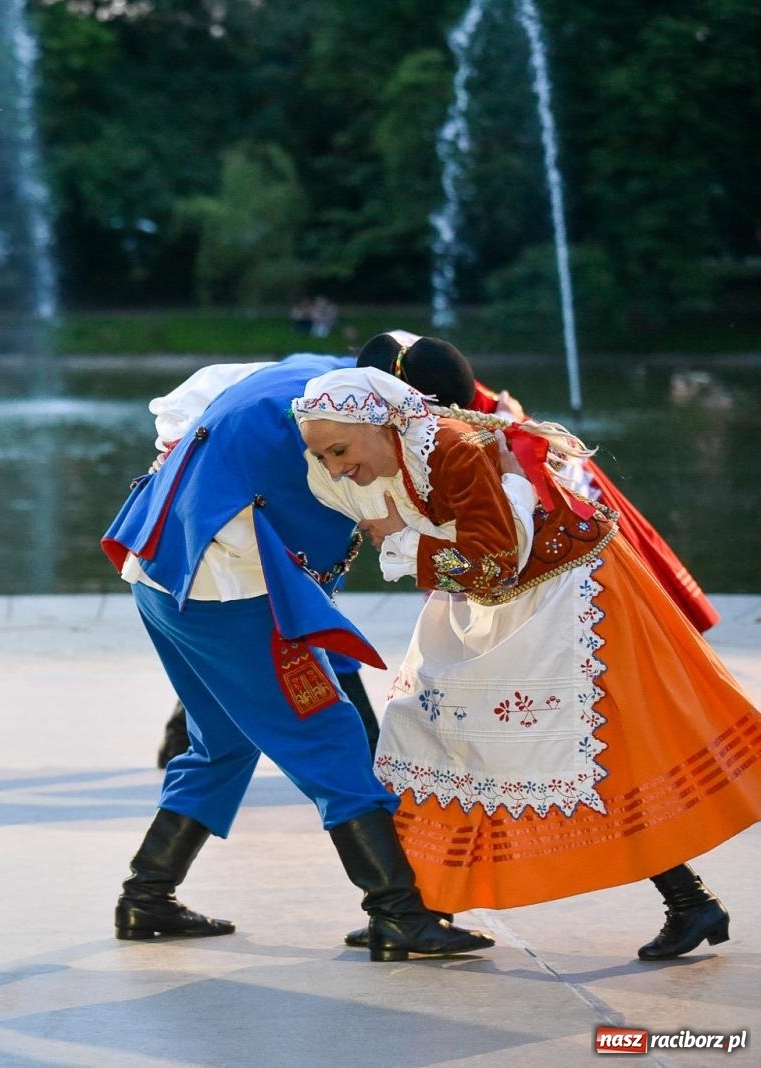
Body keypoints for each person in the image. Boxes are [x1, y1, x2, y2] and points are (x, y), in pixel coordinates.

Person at [293, 365, 761, 961]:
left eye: (338, 451)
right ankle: (412, 908)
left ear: (383, 420)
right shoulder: (402, 450)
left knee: (598, 754)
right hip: (504, 598)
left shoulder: (453, 449)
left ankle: (689, 899)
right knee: (428, 735)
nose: (334, 467)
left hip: (569, 594)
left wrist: (400, 538)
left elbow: (493, 565)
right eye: (323, 456)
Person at [100, 354, 495, 962]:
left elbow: (180, 413)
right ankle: (397, 912)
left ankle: (146, 895)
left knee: (223, 741)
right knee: (330, 737)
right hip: (228, 590)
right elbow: (405, 526)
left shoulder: (302, 371)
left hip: (157, 567)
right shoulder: (354, 421)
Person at [355, 331, 721, 633]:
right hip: (537, 563)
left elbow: (490, 566)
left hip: (530, 593)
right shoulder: (467, 413)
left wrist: (402, 538)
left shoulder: (462, 452)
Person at [146, 362, 381, 766]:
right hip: (221, 519)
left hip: (201, 521)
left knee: (219, 745)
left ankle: (185, 739)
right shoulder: (335, 408)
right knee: (331, 740)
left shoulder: (334, 387)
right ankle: (367, 755)